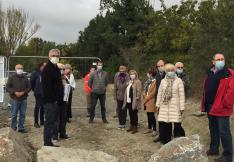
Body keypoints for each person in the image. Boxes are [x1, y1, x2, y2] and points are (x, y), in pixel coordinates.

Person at [201, 53, 234, 162]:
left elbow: (232, 91)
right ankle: (214, 149)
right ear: (213, 62)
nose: (220, 61)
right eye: (218, 59)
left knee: (224, 131)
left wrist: (225, 103)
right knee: (213, 129)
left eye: (222, 59)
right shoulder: (209, 72)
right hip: (210, 107)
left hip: (222, 108)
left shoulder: (229, 73)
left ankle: (228, 155)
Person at [154, 64, 185, 144]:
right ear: (166, 72)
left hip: (175, 106)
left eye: (172, 70)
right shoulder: (163, 81)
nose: (170, 72)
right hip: (164, 105)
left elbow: (182, 95)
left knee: (177, 124)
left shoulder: (178, 81)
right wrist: (157, 105)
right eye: (168, 70)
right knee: (165, 123)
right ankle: (166, 141)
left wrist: (182, 107)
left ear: (174, 71)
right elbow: (159, 94)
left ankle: (179, 142)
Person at [42, 49, 64, 147]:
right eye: (53, 55)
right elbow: (47, 88)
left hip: (56, 101)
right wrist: (54, 100)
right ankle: (47, 142)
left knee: (54, 121)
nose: (55, 57)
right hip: (50, 101)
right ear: (49, 56)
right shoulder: (47, 69)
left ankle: (50, 140)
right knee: (49, 122)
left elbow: (58, 84)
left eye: (57, 55)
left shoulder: (55, 68)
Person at [6, 64, 31, 133]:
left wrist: (23, 92)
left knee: (22, 114)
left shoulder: (25, 77)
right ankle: (13, 127)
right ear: (15, 69)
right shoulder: (11, 77)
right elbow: (7, 87)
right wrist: (14, 92)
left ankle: (21, 127)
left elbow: (29, 87)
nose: (20, 69)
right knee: (14, 114)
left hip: (23, 99)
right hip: (14, 99)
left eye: (21, 68)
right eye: (18, 68)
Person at [53, 63, 70, 140]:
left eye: (63, 69)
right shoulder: (53, 78)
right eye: (61, 69)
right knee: (56, 119)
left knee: (63, 118)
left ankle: (62, 133)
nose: (62, 71)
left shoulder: (65, 78)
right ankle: (54, 135)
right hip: (56, 101)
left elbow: (68, 88)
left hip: (64, 101)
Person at [122, 70, 142, 134]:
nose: (132, 75)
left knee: (134, 114)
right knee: (130, 113)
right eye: (131, 74)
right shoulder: (129, 82)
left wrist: (138, 96)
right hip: (128, 100)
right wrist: (128, 84)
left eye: (133, 74)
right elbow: (126, 88)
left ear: (135, 75)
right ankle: (131, 125)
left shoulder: (138, 81)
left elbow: (139, 90)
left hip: (134, 100)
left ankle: (135, 127)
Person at [30, 62, 46, 128]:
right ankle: (36, 122)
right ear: (41, 66)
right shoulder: (35, 73)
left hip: (45, 93)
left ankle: (42, 121)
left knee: (43, 107)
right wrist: (35, 89)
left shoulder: (46, 73)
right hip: (38, 93)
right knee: (37, 107)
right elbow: (31, 83)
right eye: (44, 66)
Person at [143, 67, 157, 136]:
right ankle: (149, 128)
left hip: (151, 101)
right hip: (147, 100)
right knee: (148, 114)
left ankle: (154, 130)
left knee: (152, 115)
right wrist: (144, 95)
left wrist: (146, 98)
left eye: (148, 73)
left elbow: (153, 93)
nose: (147, 74)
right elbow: (146, 90)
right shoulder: (149, 81)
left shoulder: (155, 81)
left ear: (151, 74)